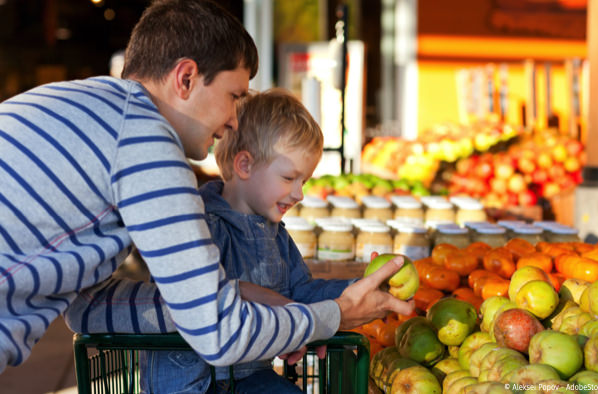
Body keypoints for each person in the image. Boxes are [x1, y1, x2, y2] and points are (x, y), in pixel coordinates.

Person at [0, 0, 412, 375]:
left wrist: (230, 294)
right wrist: (334, 315)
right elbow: (221, 335)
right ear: (186, 78)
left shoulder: (84, 104)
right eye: (234, 96)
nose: (235, 120)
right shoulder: (146, 141)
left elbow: (87, 308)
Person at [140, 88, 354, 393]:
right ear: (245, 165)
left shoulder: (276, 234)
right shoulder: (204, 225)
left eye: (303, 181)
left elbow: (301, 291)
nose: (299, 194)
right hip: (191, 382)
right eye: (289, 178)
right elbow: (205, 294)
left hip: (246, 375)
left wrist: (354, 291)